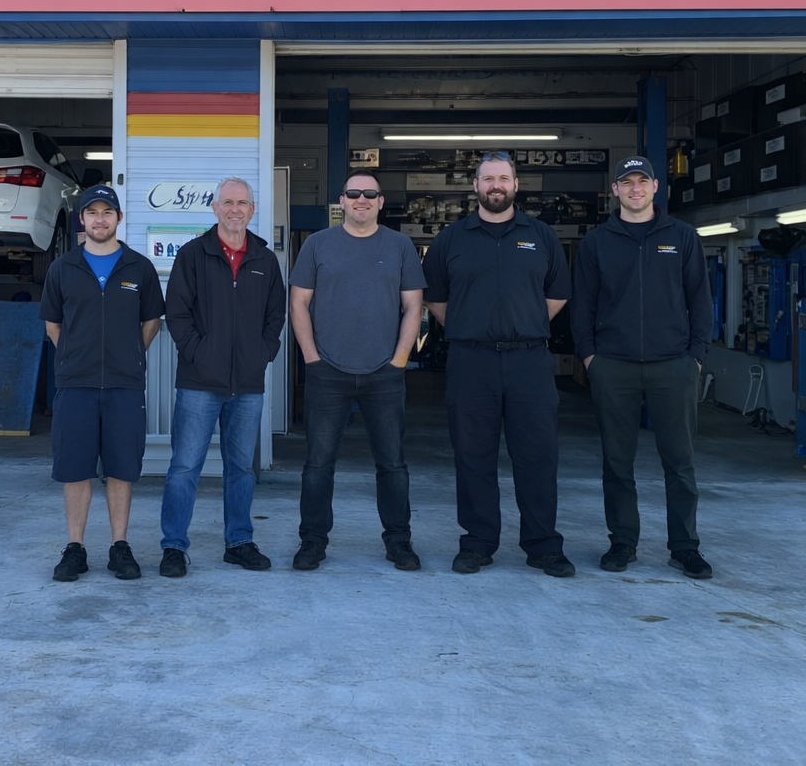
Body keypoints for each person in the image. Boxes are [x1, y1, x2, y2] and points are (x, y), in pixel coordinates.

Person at [422, 152, 575, 577]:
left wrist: (523, 322)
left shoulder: (541, 235)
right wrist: (471, 325)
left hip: (530, 360)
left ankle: (544, 545)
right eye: (487, 179)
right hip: (471, 362)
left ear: (515, 184)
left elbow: (558, 293)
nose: (495, 186)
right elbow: (434, 296)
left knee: (538, 455)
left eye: (503, 178)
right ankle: (477, 542)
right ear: (475, 186)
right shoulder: (451, 239)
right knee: (473, 455)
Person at [571, 155, 714, 580]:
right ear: (614, 190)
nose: (635, 188)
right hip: (613, 366)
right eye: (626, 182)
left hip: (674, 364)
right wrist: (589, 356)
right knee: (617, 462)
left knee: (680, 462)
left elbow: (700, 299)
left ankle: (685, 547)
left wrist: (697, 354)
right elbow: (584, 303)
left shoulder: (682, 237)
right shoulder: (598, 242)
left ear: (655, 187)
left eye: (642, 181)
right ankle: (622, 542)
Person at [288, 171, 426, 571]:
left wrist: (399, 360)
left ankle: (399, 542)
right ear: (342, 201)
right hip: (327, 370)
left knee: (393, 465)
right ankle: (312, 542)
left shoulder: (399, 246)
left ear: (381, 202)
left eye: (370, 194)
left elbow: (414, 307)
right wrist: (312, 358)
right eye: (353, 193)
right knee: (317, 465)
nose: (361, 199)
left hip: (385, 373)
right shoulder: (317, 244)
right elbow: (298, 304)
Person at [159, 177, 287, 577]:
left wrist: (262, 354)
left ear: (252, 210)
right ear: (215, 208)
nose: (235, 209)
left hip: (247, 384)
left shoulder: (265, 260)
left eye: (243, 203)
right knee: (184, 467)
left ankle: (239, 542)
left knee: (241, 469)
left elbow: (275, 316)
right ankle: (174, 547)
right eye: (228, 202)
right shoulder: (193, 255)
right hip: (199, 382)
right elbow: (176, 315)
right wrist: (199, 354)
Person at [38, 184, 164, 582]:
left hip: (125, 385)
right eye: (92, 212)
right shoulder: (63, 269)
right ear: (83, 220)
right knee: (75, 469)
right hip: (76, 384)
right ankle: (75, 548)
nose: (99, 219)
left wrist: (127, 355)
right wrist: (76, 356)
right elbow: (53, 324)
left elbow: (151, 322)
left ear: (118, 219)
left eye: (106, 212)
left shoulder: (139, 268)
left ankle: (119, 546)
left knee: (121, 468)